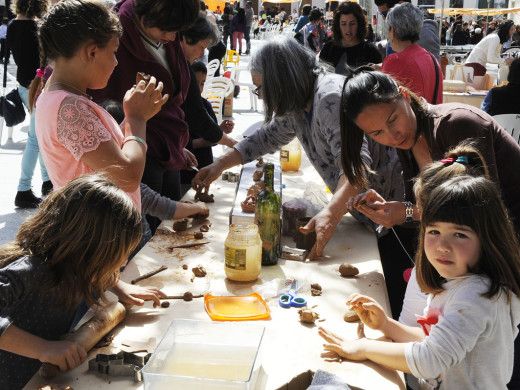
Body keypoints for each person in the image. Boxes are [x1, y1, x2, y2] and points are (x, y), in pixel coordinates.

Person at [192, 37, 404, 270]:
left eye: (261, 89)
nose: (261, 97)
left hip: (395, 216)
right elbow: (265, 137)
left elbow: (355, 167)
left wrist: (331, 214)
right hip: (373, 216)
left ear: (281, 81)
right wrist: (218, 165)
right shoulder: (299, 102)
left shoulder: (328, 98)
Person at [319, 175, 520, 390]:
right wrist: (388, 325)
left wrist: (364, 348)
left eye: (459, 235)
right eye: (434, 231)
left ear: (488, 238)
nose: (443, 245)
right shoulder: (460, 283)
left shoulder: (476, 296)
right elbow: (432, 341)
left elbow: (429, 361)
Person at [29, 0, 167, 306]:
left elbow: (104, 157)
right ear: (91, 51)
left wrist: (115, 285)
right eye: (113, 52)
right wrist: (137, 119)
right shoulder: (69, 107)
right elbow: (126, 176)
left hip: (97, 260)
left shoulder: (63, 99)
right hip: (91, 253)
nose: (117, 62)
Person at [0, 174, 167, 388]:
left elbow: (89, 267)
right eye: (118, 254)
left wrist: (117, 285)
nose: (125, 261)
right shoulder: (31, 270)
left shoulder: (74, 264)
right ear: (88, 248)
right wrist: (43, 348)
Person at [90, 0, 199, 234]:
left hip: (162, 147)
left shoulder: (167, 35)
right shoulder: (112, 31)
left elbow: (176, 98)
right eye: (166, 29)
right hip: (132, 147)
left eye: (176, 30)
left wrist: (176, 143)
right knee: (145, 233)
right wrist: (136, 122)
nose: (171, 37)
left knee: (168, 230)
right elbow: (130, 181)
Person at [178, 15, 236, 185]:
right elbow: (198, 116)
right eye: (201, 47)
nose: (203, 54)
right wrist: (231, 142)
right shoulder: (179, 66)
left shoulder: (181, 65)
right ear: (186, 38)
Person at [7, 0, 52, 208]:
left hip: (25, 85)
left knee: (38, 137)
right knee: (35, 139)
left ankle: (47, 182)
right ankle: (23, 189)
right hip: (38, 86)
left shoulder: (12, 25)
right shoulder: (36, 27)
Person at [380, 2, 443, 104]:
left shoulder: (395, 61)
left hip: (412, 119)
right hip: (434, 118)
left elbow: (384, 106)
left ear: (393, 30)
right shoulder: (431, 58)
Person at [319, 1, 382, 73]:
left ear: (359, 24)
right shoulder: (328, 48)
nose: (348, 29)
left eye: (352, 24)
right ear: (338, 25)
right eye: (343, 24)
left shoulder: (371, 51)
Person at [374, 0, 440, 64]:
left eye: (386, 14)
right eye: (381, 13)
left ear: (401, 5)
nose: (384, 18)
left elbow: (430, 70)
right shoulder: (398, 27)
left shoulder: (425, 31)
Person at [465, 19, 515, 90]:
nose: (513, 31)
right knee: (475, 93)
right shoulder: (495, 38)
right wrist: (505, 61)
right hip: (475, 66)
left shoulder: (498, 39)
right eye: (511, 29)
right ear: (506, 30)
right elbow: (491, 58)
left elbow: (496, 58)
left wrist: (506, 62)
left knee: (476, 93)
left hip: (477, 65)